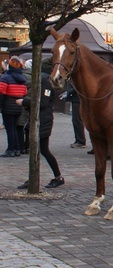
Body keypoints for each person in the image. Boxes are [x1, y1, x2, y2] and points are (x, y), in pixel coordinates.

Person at [17, 60, 65, 189]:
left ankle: (57, 176)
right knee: (36, 149)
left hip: (42, 120)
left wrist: (25, 102)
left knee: (43, 149)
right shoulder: (45, 79)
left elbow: (42, 102)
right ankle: (33, 177)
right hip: (40, 119)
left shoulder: (44, 80)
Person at [0, 55, 28, 157]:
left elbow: (1, 92)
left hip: (8, 106)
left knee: (10, 129)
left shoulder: (5, 77)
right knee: (15, 128)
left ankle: (10, 149)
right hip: (18, 107)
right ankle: (16, 149)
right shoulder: (22, 79)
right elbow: (24, 92)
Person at [65, 82, 87, 148]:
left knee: (77, 120)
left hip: (77, 100)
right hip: (76, 100)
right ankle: (79, 140)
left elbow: (77, 88)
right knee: (76, 120)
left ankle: (81, 140)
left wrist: (69, 92)